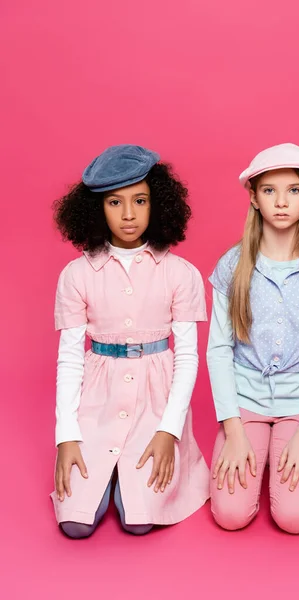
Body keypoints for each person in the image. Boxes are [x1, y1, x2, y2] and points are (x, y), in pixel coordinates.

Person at [51, 144, 209, 538]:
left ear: (158, 204)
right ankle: (109, 471)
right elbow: (70, 358)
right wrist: (66, 436)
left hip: (157, 400)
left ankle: (125, 476)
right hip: (97, 401)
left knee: (138, 523)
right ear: (95, 209)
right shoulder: (76, 274)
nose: (128, 214)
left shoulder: (181, 272)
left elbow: (187, 357)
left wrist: (168, 430)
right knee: (74, 525)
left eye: (140, 200)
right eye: (114, 202)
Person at [207, 143, 299, 534]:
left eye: (294, 190)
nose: (282, 201)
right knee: (231, 515)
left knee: (293, 519)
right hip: (245, 404)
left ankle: (287, 442)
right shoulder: (232, 266)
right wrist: (233, 431)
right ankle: (252, 443)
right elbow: (219, 350)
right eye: (269, 190)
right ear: (253, 198)